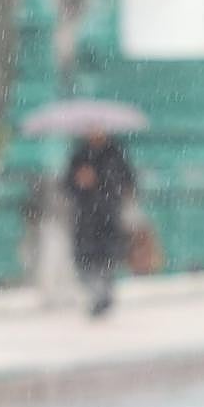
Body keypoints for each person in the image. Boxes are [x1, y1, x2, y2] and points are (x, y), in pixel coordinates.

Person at [63, 130, 136, 317]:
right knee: (85, 260)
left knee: (105, 258)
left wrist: (101, 180)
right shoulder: (79, 155)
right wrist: (79, 181)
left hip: (108, 216)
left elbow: (127, 182)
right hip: (85, 218)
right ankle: (97, 294)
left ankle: (103, 295)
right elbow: (66, 185)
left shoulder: (115, 153)